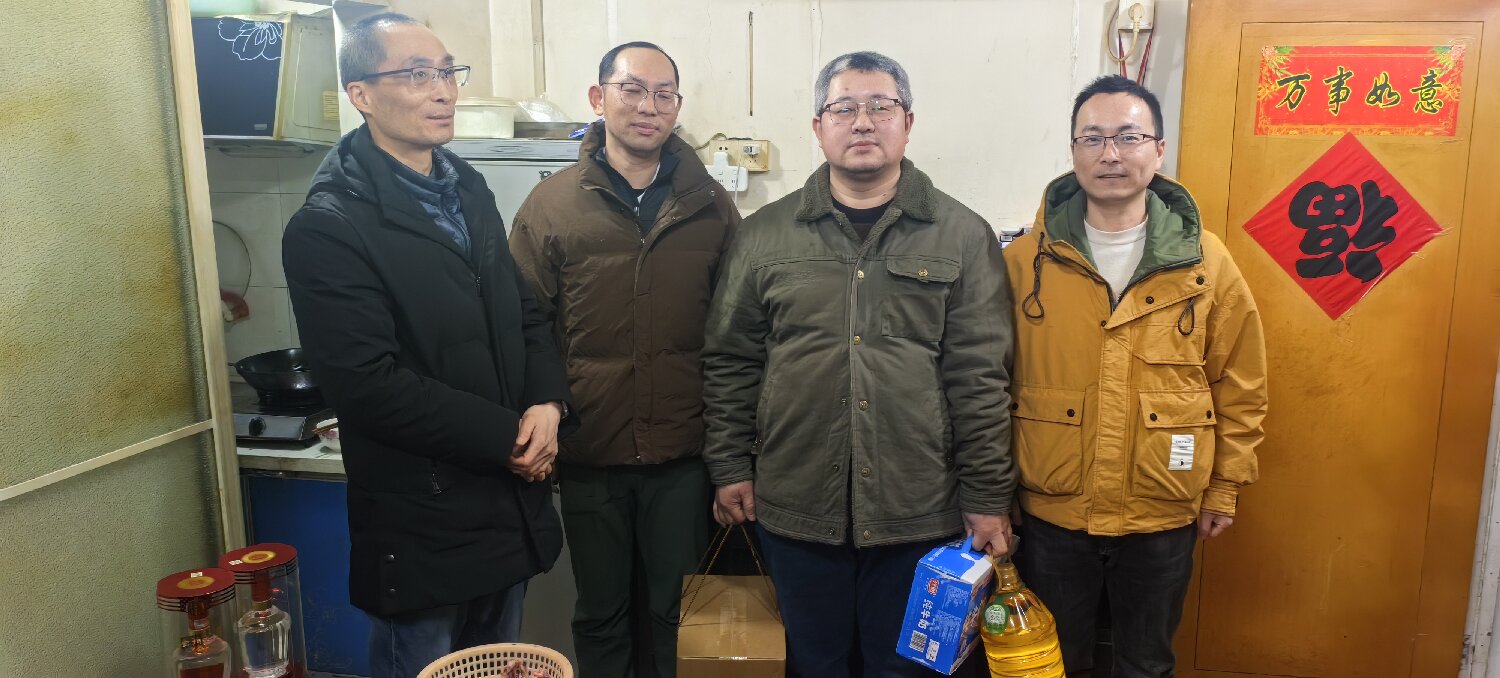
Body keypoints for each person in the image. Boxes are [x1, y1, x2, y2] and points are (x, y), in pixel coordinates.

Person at [701, 51, 1016, 677]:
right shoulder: (763, 235)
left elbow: (981, 379)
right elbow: (731, 360)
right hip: (795, 503)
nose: (863, 121)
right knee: (814, 664)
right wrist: (730, 465)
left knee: (904, 669)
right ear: (818, 127)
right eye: (844, 108)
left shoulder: (961, 235)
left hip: (919, 509)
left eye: (881, 106)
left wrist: (986, 495)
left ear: (908, 123)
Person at [282, 13, 574, 677]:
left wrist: (548, 405)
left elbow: (524, 313)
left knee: (499, 667)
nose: (443, 90)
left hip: (504, 511)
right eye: (417, 75)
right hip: (422, 523)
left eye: (446, 72)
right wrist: (510, 437)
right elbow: (368, 385)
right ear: (361, 94)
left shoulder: (466, 189)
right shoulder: (330, 225)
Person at [1004, 74, 1268, 677]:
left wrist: (1224, 486)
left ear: (1159, 150)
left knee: (1146, 663)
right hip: (1051, 511)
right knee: (1048, 664)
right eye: (1093, 138)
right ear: (1073, 151)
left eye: (1128, 137)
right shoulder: (1023, 264)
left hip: (1162, 510)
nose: (1111, 154)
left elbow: (1240, 383)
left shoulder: (1206, 261)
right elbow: (988, 387)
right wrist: (993, 495)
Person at [509, 41, 740, 678]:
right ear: (599, 97)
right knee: (601, 612)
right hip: (591, 453)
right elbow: (524, 324)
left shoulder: (711, 205)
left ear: (677, 107)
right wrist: (542, 413)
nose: (648, 107)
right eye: (632, 90)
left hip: (683, 455)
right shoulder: (551, 205)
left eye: (664, 94)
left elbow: (737, 333)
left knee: (677, 613)